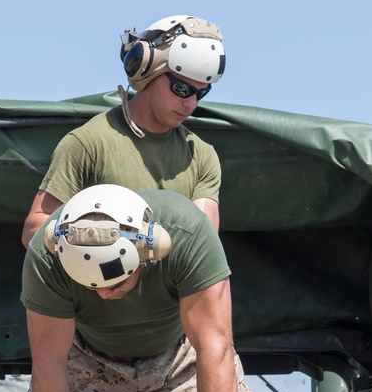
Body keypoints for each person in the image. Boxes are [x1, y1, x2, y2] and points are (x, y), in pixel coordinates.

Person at [3, 184, 286, 392]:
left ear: (151, 250)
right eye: (91, 286)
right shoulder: (46, 257)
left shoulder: (187, 233)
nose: (105, 296)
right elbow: (50, 362)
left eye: (115, 282)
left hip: (180, 355)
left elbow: (215, 347)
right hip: (88, 359)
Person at [21, 14, 225, 248]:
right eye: (181, 88)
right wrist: (101, 239)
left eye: (201, 93)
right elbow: (34, 231)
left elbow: (202, 245)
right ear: (146, 70)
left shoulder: (200, 156)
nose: (190, 104)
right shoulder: (88, 143)